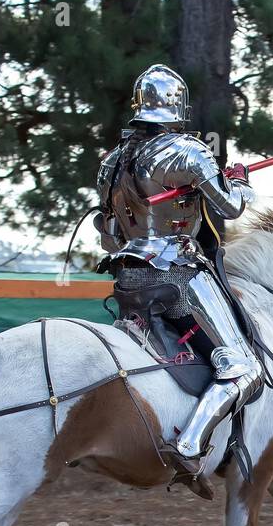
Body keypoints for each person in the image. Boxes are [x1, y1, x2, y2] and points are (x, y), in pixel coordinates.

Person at [94, 64, 260, 476]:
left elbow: (108, 233)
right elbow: (230, 207)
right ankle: (189, 444)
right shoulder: (187, 151)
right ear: (177, 106)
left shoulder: (113, 161)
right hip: (177, 276)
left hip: (127, 279)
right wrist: (239, 180)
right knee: (243, 369)